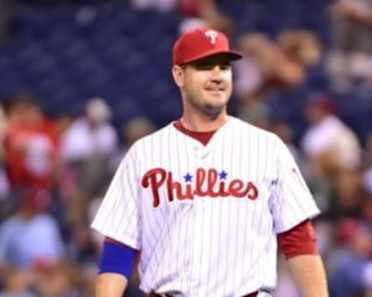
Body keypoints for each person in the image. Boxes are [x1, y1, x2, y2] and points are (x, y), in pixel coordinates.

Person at [91, 27, 329, 297]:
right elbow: (119, 248)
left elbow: (299, 239)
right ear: (179, 75)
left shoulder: (267, 148)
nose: (217, 76)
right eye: (205, 66)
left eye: (224, 67)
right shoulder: (144, 154)